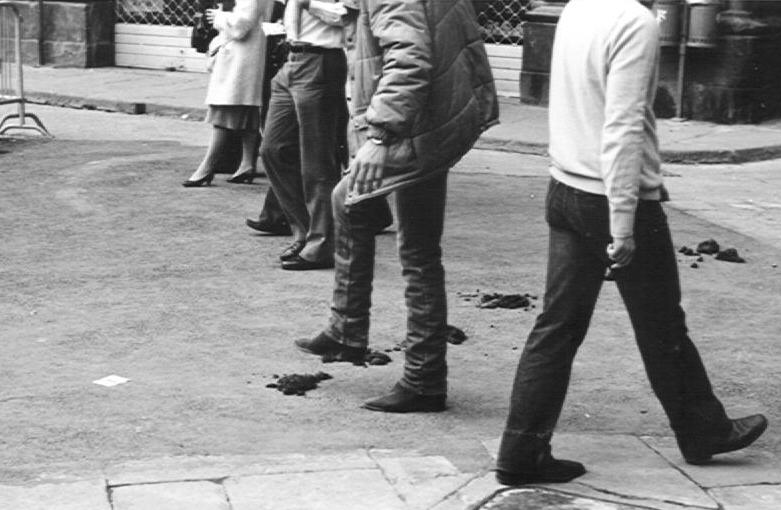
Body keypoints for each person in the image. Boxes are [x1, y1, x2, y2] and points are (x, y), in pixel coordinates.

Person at [494, 0, 767, 486]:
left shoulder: (579, 8)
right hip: (614, 197)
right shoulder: (634, 22)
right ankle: (703, 429)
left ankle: (520, 449)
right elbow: (621, 127)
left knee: (557, 325)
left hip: (566, 184)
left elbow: (574, 100)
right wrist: (622, 222)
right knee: (662, 322)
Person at [294, 0, 499, 412]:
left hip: (419, 124)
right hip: (435, 116)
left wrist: (381, 136)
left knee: (372, 218)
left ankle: (402, 365)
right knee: (409, 241)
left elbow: (409, 59)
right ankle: (356, 335)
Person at [258, 0, 352, 269]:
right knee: (272, 150)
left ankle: (322, 243)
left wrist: (308, 3)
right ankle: (303, 231)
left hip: (321, 59)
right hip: (290, 58)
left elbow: (346, 16)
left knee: (317, 160)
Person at [183, 0, 271, 187]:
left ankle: (207, 168)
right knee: (246, 111)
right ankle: (247, 164)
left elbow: (241, 25)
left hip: (240, 56)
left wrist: (218, 17)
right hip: (241, 53)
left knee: (223, 111)